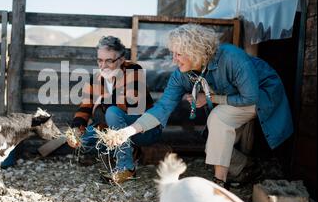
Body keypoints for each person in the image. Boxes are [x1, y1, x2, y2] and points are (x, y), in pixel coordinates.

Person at [104, 24, 293, 189]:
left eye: (178, 54)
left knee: (218, 118)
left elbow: (250, 97)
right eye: (173, 53)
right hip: (233, 100)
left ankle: (219, 185)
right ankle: (248, 167)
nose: (173, 60)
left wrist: (210, 98)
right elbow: (162, 108)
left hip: (262, 96)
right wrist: (128, 131)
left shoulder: (233, 58)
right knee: (213, 146)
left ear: (196, 51)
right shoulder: (181, 75)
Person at [67, 36, 162, 184]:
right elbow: (85, 106)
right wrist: (76, 128)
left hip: (145, 129)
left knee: (112, 112)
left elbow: (132, 102)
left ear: (121, 59)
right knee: (82, 138)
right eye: (100, 60)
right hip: (113, 127)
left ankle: (126, 167)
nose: (103, 65)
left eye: (109, 61)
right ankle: (124, 152)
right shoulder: (96, 79)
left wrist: (103, 101)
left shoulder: (133, 69)